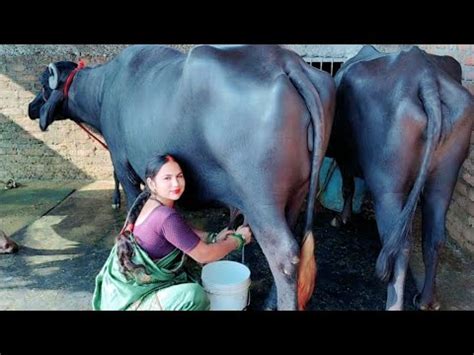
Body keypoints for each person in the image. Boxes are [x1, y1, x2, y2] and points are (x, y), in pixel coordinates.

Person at [92, 154, 252, 310]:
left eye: (179, 176)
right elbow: (204, 255)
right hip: (132, 300)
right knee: (194, 295)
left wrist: (213, 237)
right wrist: (238, 240)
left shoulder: (149, 201)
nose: (176, 184)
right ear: (152, 183)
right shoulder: (165, 216)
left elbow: (180, 231)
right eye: (167, 178)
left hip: (123, 288)